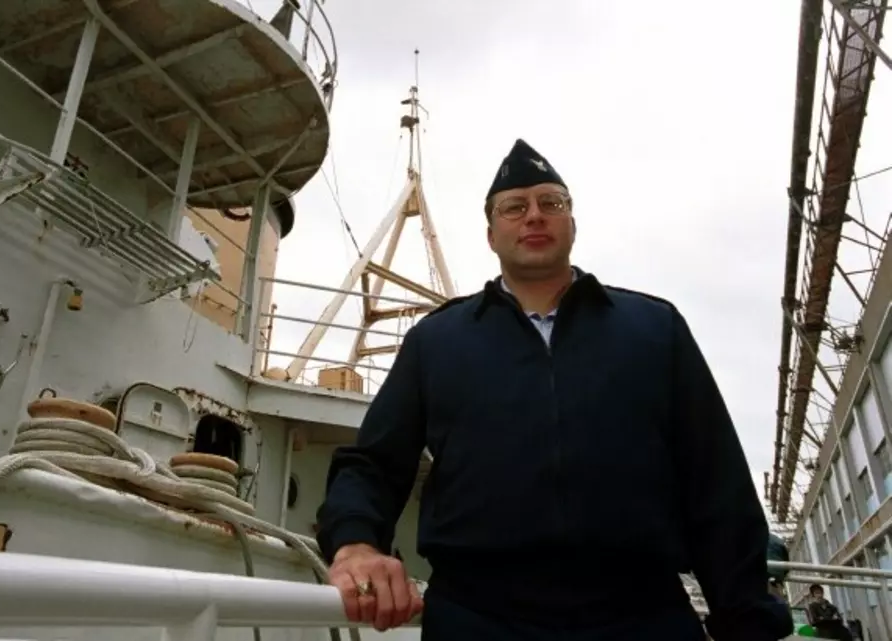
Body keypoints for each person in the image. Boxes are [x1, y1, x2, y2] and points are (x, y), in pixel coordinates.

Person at [315, 139, 794, 640]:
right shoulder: (435, 342)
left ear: (572, 223)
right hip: (478, 619)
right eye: (515, 207)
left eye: (552, 203)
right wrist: (356, 544)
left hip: (642, 615)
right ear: (491, 234)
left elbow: (714, 479)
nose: (534, 216)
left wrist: (746, 620)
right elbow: (371, 464)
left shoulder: (654, 329)